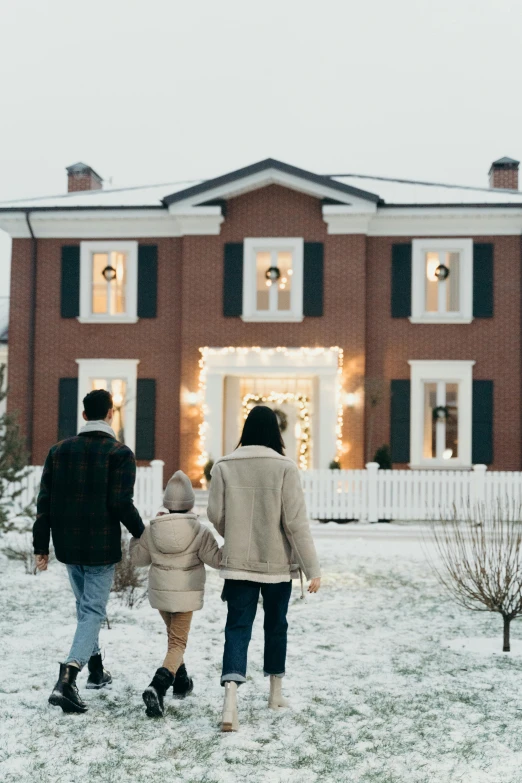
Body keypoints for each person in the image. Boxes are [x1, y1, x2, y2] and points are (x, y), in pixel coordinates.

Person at [207, 405, 321, 732]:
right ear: (275, 431)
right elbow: (295, 522)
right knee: (276, 626)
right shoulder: (285, 467)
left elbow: (215, 514)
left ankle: (230, 702)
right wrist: (313, 568)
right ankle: (275, 695)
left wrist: (236, 532)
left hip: (238, 563)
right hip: (277, 565)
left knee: (237, 627)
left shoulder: (225, 465)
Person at [33, 388, 145, 714]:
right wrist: (142, 534)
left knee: (85, 608)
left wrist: (42, 546)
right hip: (100, 548)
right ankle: (68, 678)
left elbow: (45, 505)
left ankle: (96, 671)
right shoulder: (119, 453)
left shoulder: (58, 451)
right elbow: (120, 503)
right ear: (111, 414)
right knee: (93, 611)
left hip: (67, 545)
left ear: (84, 416)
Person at [130, 470, 222, 717]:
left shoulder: (153, 529)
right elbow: (218, 560)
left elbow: (138, 559)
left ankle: (181, 682)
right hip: (186, 594)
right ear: (190, 503)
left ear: (167, 502)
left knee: (173, 640)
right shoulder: (200, 531)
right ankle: (158, 686)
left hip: (161, 594)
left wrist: (135, 536)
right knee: (177, 643)